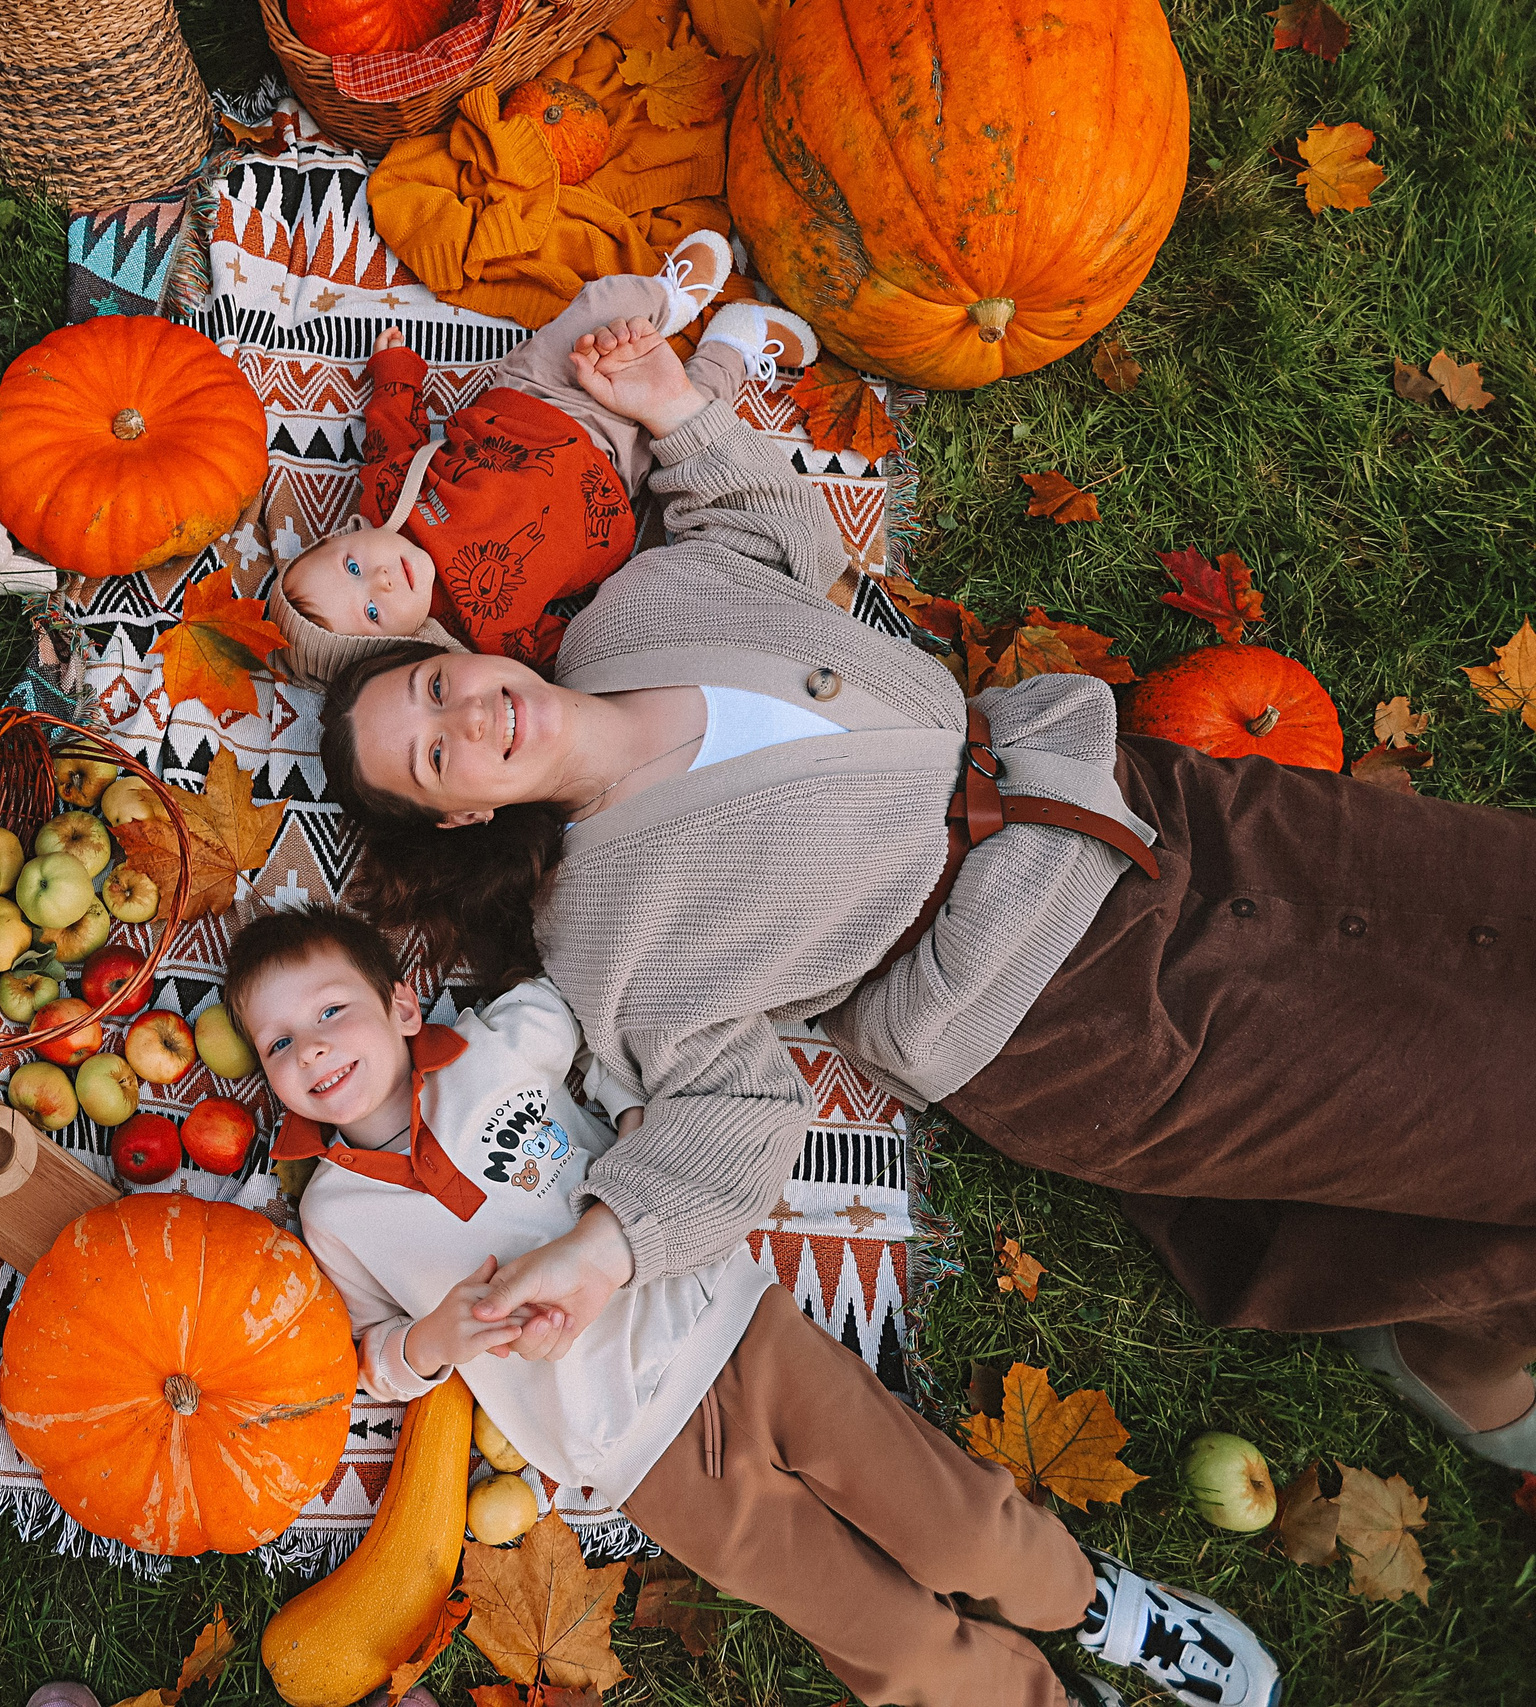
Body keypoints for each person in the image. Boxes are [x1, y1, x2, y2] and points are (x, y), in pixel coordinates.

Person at [309, 302, 1536, 1474]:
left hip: (1144, 803)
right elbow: (726, 1112)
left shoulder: (636, 613)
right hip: (1075, 1014)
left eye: (433, 689)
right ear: (462, 815)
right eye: (435, 758)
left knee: (1490, 890)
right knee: (1487, 1107)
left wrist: (679, 410)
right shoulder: (601, 930)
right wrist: (601, 1252)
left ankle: (1459, 1318)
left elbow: (770, 538)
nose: (468, 719)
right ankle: (1463, 1348)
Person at [225, 905, 1279, 1707]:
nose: (311, 1049)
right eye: (277, 1044)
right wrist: (433, 1339)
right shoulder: (336, 1214)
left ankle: (1099, 1609)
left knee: (956, 1525)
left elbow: (604, 1016)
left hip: (732, 1326)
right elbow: (368, 1360)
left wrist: (632, 1117)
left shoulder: (496, 1046)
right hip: (638, 1454)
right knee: (878, 1631)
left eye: (331, 1012)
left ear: (403, 1007)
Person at [266, 229, 817, 684]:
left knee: (602, 306)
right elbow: (578, 650)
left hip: (536, 396)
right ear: (399, 649)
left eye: (353, 566)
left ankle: (667, 299)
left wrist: (395, 377)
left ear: (343, 535)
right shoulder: (485, 642)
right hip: (614, 475)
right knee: (692, 424)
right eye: (372, 612)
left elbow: (391, 435)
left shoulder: (390, 501)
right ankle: (731, 348)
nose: (382, 580)